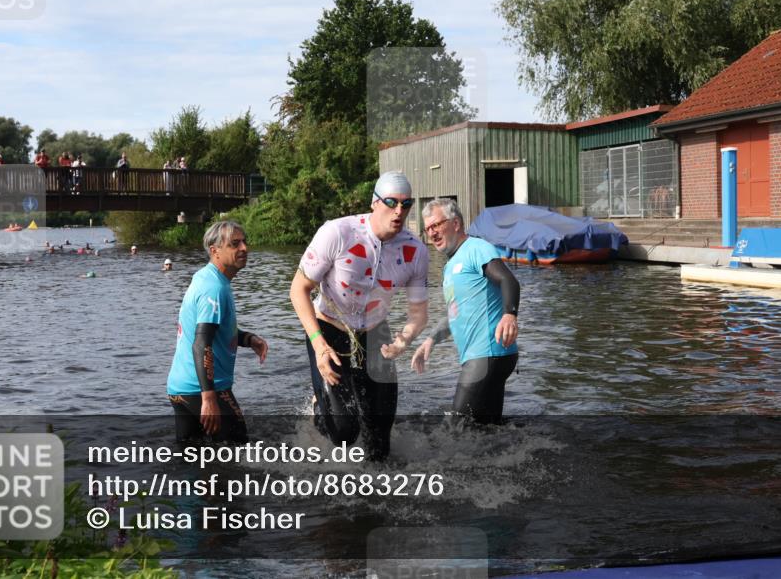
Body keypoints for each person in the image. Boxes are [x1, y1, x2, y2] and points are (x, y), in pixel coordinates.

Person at [289, 171, 429, 461]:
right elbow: (298, 290)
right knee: (344, 433)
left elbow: (418, 314)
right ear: (375, 203)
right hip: (329, 330)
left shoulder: (415, 251)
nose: (399, 211)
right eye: (392, 202)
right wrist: (319, 346)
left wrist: (403, 340)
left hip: (376, 333)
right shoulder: (338, 232)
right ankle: (321, 407)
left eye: (406, 204)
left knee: (380, 445)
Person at [411, 198, 520, 424]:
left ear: (456, 223)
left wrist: (510, 315)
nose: (432, 233)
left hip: (487, 353)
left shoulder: (476, 248)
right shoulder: (450, 266)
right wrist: (430, 340)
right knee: (485, 429)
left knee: (455, 427)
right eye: (428, 228)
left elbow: (508, 279)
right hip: (488, 356)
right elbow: (455, 312)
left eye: (437, 225)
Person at [166, 221, 268, 444]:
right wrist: (209, 397)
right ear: (215, 251)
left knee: (191, 460)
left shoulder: (206, 278)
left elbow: (216, 330)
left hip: (179, 388)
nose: (244, 248)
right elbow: (201, 343)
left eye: (244, 242)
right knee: (240, 451)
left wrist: (248, 339)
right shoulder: (214, 288)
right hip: (202, 389)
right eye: (234, 244)